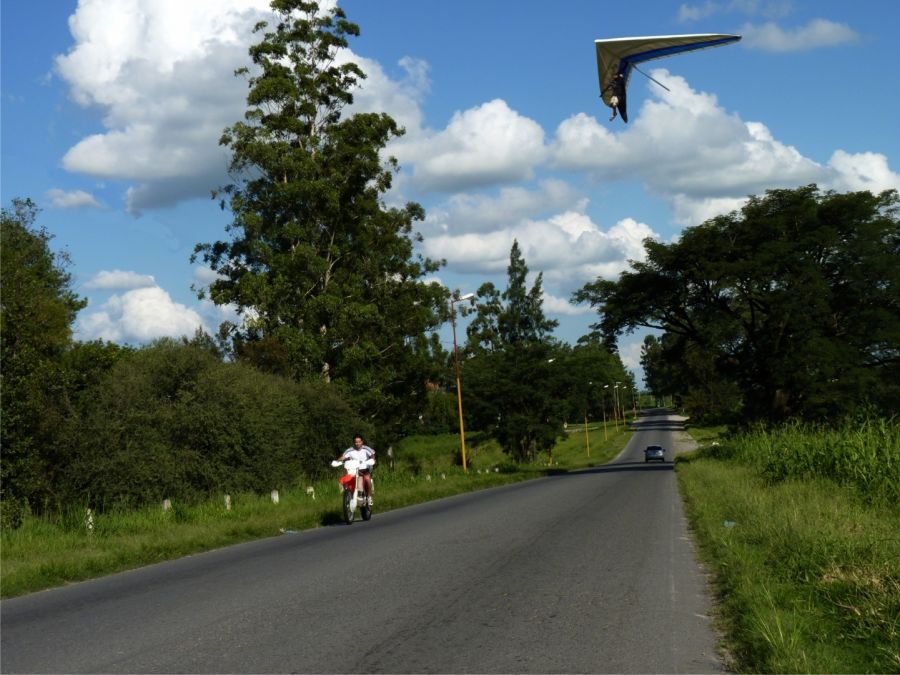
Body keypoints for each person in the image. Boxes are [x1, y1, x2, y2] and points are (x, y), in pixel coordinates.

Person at [337, 434, 375, 506]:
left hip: (365, 469)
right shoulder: (350, 450)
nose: (357, 443)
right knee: (348, 480)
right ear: (354, 442)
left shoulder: (366, 449)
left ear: (362, 442)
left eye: (359, 442)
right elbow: (343, 457)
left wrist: (372, 460)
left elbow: (372, 455)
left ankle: (369, 497)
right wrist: (338, 461)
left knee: (367, 479)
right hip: (353, 470)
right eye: (356, 442)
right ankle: (350, 495)